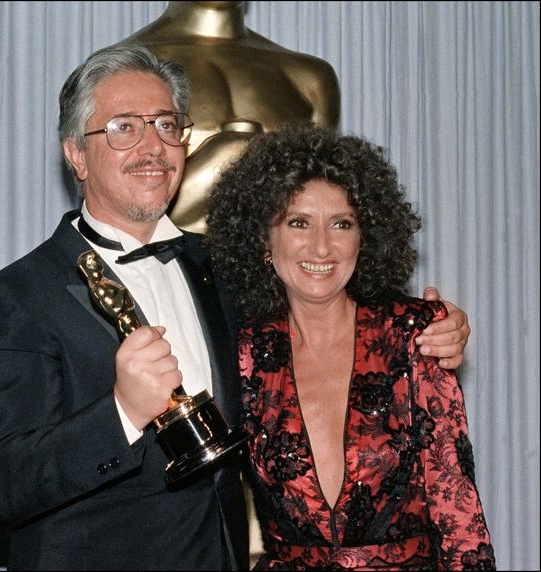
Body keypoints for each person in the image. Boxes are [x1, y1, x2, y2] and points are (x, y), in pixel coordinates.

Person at [0, 45, 469, 570]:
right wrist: (122, 412)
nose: (152, 146)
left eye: (166, 124)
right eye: (123, 128)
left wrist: (434, 328)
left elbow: (325, 297)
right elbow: (3, 488)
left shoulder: (224, 266)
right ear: (75, 153)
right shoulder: (20, 295)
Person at [206, 122, 495, 570]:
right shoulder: (240, 353)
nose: (322, 247)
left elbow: (458, 515)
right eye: (298, 222)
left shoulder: (413, 334)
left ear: (366, 238)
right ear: (264, 239)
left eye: (342, 223)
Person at [118, 1, 341, 234]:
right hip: (161, 263)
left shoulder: (311, 78)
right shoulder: (122, 70)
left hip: (273, 266)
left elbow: (318, 202)